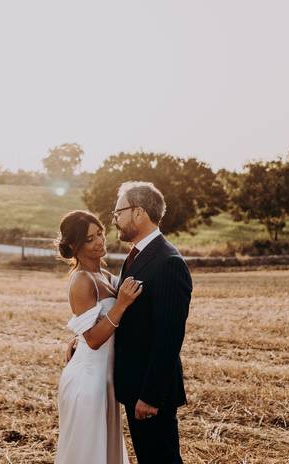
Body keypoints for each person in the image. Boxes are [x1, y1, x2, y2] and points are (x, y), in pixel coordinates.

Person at [66, 182, 192, 464]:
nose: (115, 221)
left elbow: (169, 339)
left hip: (150, 394)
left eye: (118, 213)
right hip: (130, 386)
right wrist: (80, 338)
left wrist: (150, 396)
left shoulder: (167, 261)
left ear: (138, 213)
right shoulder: (136, 256)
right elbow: (128, 319)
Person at [55, 210, 144, 464]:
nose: (100, 241)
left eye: (100, 233)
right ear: (74, 246)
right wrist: (121, 304)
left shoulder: (105, 276)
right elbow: (93, 340)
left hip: (106, 381)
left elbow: (89, 330)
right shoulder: (82, 281)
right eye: (90, 239)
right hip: (88, 383)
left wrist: (76, 339)